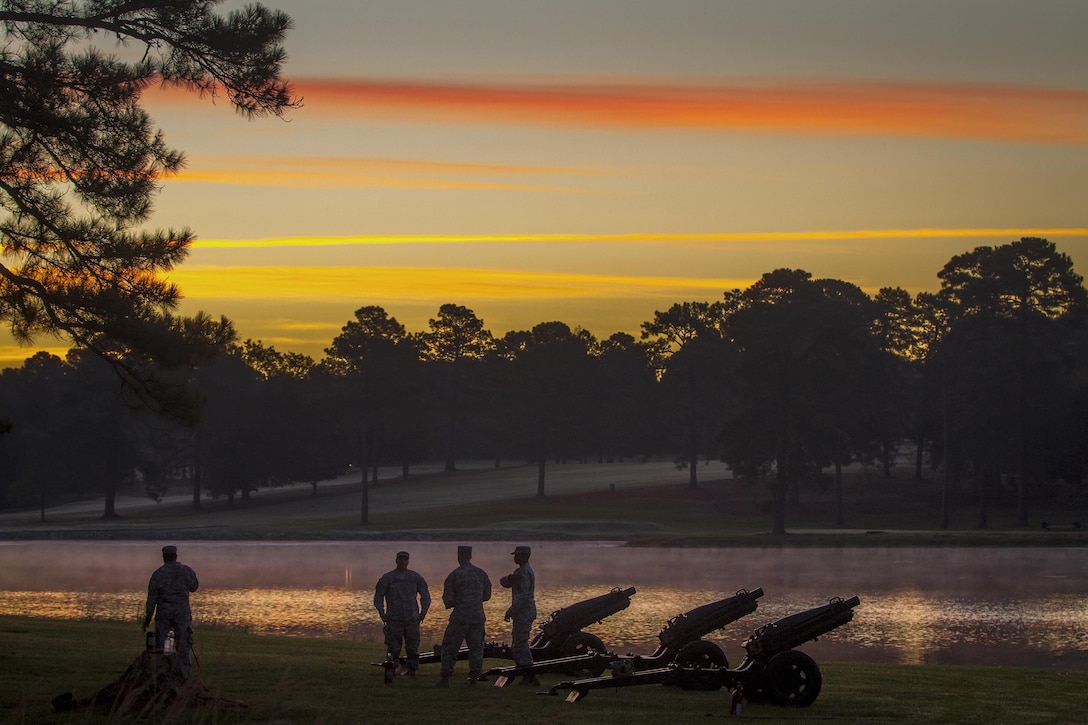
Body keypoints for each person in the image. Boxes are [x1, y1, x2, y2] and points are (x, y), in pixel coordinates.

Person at [437, 545, 492, 686]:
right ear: (471, 556)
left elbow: (448, 600)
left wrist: (459, 601)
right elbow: (487, 596)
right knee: (476, 649)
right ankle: (474, 678)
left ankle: (445, 678)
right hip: (477, 617)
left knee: (450, 647)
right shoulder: (481, 574)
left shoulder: (454, 575)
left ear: (458, 556)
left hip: (460, 617)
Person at [142, 545, 199, 672]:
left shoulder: (158, 574)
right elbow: (194, 587)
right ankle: (185, 674)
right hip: (182, 613)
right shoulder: (186, 571)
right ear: (176, 556)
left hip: (163, 614)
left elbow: (151, 600)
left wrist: (146, 621)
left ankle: (161, 673)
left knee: (160, 646)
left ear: (163, 558)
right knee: (184, 645)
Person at [373, 550, 431, 676]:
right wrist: (381, 613)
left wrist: (423, 612)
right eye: (400, 559)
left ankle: (412, 671)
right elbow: (378, 596)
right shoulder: (387, 578)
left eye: (405, 559)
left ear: (408, 561)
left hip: (412, 619)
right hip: (394, 619)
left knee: (412, 647)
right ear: (396, 560)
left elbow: (425, 595)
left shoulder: (415, 577)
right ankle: (390, 670)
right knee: (393, 647)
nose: (402, 561)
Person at [500, 544, 538, 686]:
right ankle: (526, 674)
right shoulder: (522, 572)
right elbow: (505, 582)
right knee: (519, 642)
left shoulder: (522, 573)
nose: (515, 557)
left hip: (523, 612)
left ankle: (530, 676)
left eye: (517, 555)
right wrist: (509, 578)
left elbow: (522, 596)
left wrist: (511, 610)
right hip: (524, 612)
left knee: (520, 644)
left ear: (524, 556)